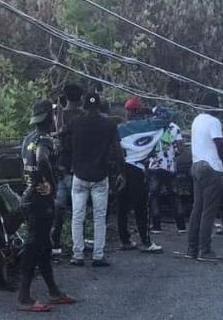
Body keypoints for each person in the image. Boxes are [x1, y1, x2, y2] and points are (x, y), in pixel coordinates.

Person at [18, 101, 74, 312]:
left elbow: (25, 165)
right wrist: (50, 183)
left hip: (30, 195)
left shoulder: (27, 139)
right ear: (49, 119)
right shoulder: (44, 139)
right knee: (34, 246)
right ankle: (24, 298)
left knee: (44, 245)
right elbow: (42, 159)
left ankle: (53, 291)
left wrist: (36, 182)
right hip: (40, 200)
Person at [69, 93, 124, 267]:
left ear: (84, 106)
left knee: (78, 216)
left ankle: (77, 255)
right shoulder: (109, 125)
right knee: (99, 218)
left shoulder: (76, 123)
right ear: (99, 106)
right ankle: (98, 256)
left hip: (79, 174)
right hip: (100, 175)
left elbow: (65, 142)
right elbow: (117, 150)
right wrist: (122, 172)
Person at [116, 96, 165, 253]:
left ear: (128, 112)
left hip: (122, 169)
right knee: (141, 207)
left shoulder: (120, 128)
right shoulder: (151, 125)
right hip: (138, 170)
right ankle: (145, 242)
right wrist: (152, 110)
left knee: (122, 207)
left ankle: (125, 241)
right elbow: (171, 115)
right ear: (140, 111)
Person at [186, 93, 223, 261]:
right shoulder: (214, 122)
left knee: (197, 209)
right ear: (215, 107)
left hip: (196, 166)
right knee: (208, 211)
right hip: (211, 168)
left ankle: (191, 249)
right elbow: (219, 145)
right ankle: (205, 250)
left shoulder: (197, 120)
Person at [51, 83, 86, 257]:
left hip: (61, 166)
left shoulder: (59, 116)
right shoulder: (83, 116)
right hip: (79, 167)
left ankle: (56, 241)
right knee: (79, 208)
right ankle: (78, 242)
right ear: (80, 98)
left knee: (60, 206)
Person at [147, 106, 186, 234]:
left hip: (154, 166)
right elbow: (180, 149)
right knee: (174, 196)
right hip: (170, 167)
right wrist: (172, 154)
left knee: (154, 196)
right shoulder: (175, 127)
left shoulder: (152, 126)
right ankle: (181, 226)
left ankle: (157, 226)